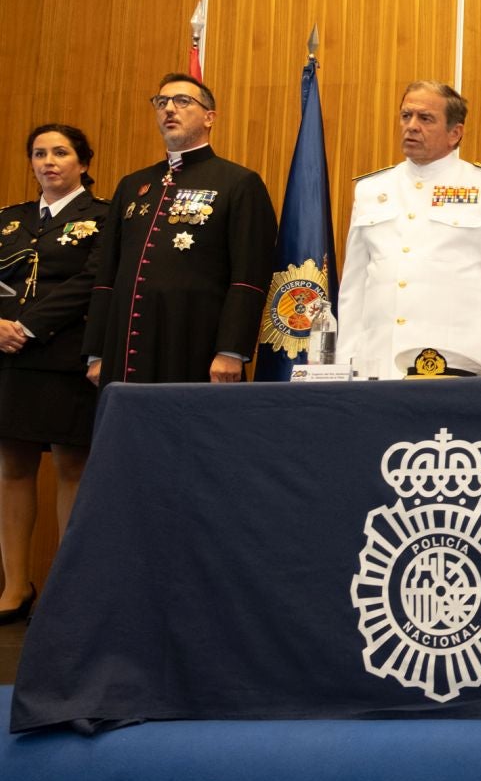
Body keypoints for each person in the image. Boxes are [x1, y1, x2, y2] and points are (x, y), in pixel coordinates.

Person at [85, 76, 276, 385]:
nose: (169, 109)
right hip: (124, 347)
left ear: (209, 117)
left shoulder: (239, 183)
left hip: (196, 342)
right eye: (161, 102)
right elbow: (107, 275)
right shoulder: (133, 185)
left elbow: (250, 276)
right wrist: (96, 352)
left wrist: (232, 349)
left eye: (182, 101)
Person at [338, 81, 481, 377]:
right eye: (406, 116)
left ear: (455, 133)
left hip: (454, 368)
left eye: (425, 118)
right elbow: (353, 289)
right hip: (378, 368)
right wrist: (345, 368)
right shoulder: (371, 190)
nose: (411, 126)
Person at [0, 125, 106, 622]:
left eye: (60, 152)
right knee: (13, 468)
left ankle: (68, 588)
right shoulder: (9, 219)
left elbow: (92, 281)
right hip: (9, 356)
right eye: (39, 153)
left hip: (67, 356)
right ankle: (15, 587)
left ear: (82, 162)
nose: (49, 161)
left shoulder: (104, 217)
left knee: (72, 467)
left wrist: (26, 325)